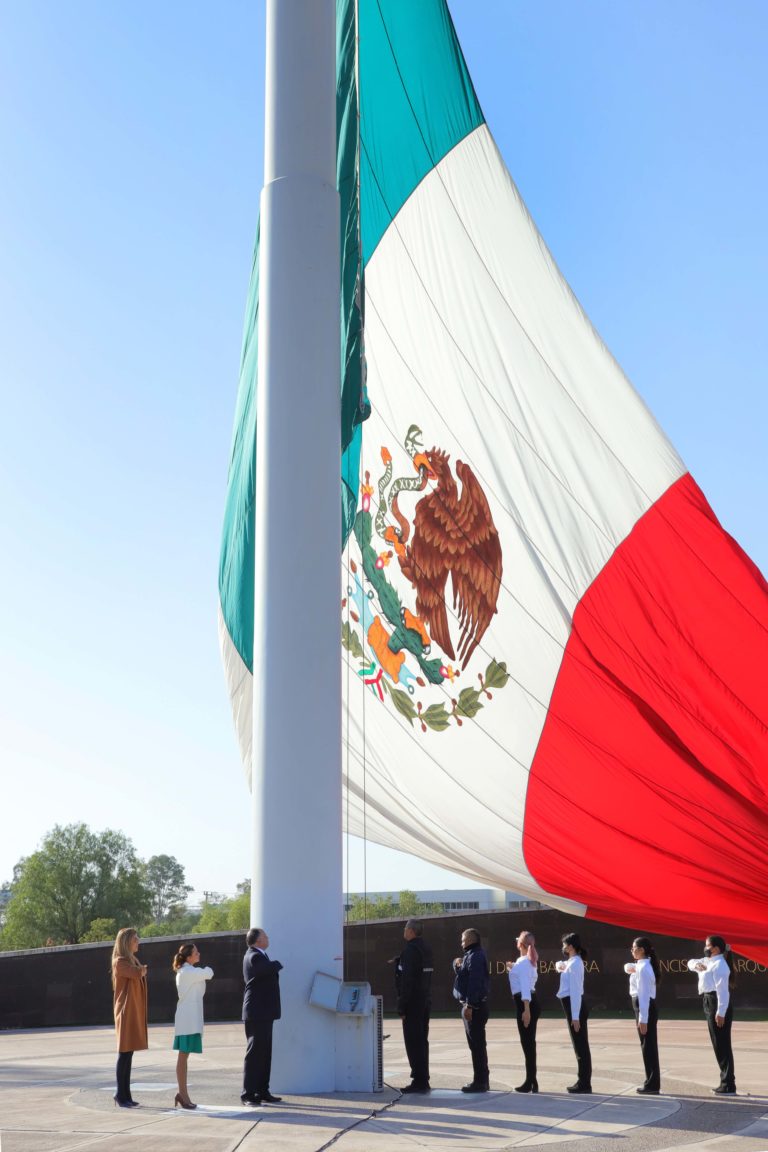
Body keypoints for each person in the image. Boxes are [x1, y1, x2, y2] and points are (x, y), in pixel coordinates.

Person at [241, 927, 283, 1106]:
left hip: (264, 1012)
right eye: (265, 936)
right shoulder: (254, 956)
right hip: (256, 1012)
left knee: (265, 1053)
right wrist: (277, 964)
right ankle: (248, 1094)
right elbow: (263, 969)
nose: (268, 937)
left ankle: (262, 1090)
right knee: (255, 1054)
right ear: (258, 941)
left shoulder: (261, 955)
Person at [172, 943, 214, 1109]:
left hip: (190, 1019)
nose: (199, 954)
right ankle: (182, 1094)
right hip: (187, 1020)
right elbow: (209, 973)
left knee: (184, 1056)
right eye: (196, 952)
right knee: (183, 1056)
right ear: (189, 957)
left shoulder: (189, 971)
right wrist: (205, 970)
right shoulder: (188, 972)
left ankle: (182, 1093)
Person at [111, 927, 148, 1108]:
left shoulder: (131, 960)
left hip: (132, 1011)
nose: (138, 941)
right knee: (124, 1053)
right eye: (135, 939)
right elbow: (137, 973)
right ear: (126, 943)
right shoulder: (120, 962)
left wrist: (140, 970)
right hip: (125, 1012)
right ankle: (120, 1093)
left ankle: (126, 1094)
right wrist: (141, 970)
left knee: (129, 1053)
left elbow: (139, 971)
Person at [395, 918, 433, 1093]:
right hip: (425, 1000)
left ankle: (418, 1080)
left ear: (411, 931)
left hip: (413, 1003)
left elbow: (407, 980)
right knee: (422, 1040)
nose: (404, 931)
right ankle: (423, 1078)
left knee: (413, 1041)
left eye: (405, 928)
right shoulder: (426, 948)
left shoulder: (410, 950)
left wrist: (402, 1005)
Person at [453, 927, 490, 1093]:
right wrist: (457, 964)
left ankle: (480, 1082)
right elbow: (464, 976)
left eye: (463, 939)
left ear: (470, 940)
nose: (461, 942)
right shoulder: (471, 955)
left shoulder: (475, 956)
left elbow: (475, 982)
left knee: (477, 1045)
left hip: (474, 1007)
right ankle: (482, 1080)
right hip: (473, 1005)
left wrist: (470, 1006)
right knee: (476, 1045)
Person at [556, 931, 592, 1093]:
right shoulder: (572, 962)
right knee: (579, 1045)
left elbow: (576, 991)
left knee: (581, 1046)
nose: (563, 947)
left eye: (565, 944)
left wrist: (575, 1016)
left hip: (574, 1006)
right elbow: (561, 965)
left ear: (570, 946)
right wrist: (560, 966)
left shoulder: (576, 963)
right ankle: (583, 1081)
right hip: (570, 1006)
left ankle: (584, 1083)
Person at [624, 937, 661, 1094]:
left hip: (644, 1006)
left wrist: (643, 1018)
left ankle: (652, 1084)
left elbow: (644, 995)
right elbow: (628, 967)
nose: (632, 950)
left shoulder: (644, 968)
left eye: (634, 948)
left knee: (649, 1046)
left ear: (642, 950)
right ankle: (651, 1082)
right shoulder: (641, 966)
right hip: (641, 1006)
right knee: (647, 1045)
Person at [506, 929, 540, 1093]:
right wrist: (512, 969)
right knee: (529, 1043)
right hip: (528, 1002)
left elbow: (525, 986)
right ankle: (532, 1080)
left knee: (527, 1044)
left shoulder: (525, 962)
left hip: (526, 1003)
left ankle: (530, 1081)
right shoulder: (526, 961)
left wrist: (526, 1010)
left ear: (520, 944)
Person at [703, 935, 736, 1094]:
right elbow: (691, 963)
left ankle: (728, 1083)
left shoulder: (720, 965)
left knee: (721, 1043)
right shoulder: (710, 961)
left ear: (715, 948)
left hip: (716, 1003)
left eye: (707, 945)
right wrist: (697, 964)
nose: (706, 948)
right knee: (718, 1044)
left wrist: (720, 1012)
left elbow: (723, 992)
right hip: (710, 1001)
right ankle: (726, 1081)